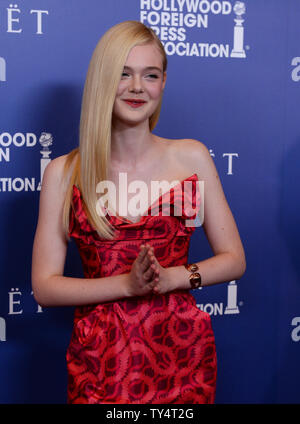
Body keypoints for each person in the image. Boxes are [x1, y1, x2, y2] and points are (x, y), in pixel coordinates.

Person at [31, 20, 246, 404]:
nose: (136, 87)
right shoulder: (64, 172)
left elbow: (234, 260)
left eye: (150, 75)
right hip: (101, 362)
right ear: (102, 81)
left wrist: (173, 278)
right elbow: (45, 286)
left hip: (181, 355)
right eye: (123, 74)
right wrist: (126, 286)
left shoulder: (192, 156)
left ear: (162, 84)